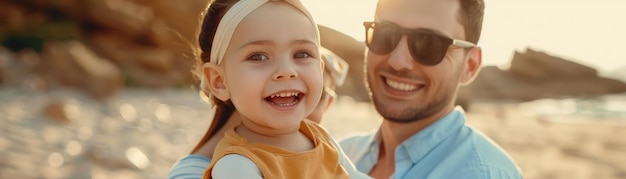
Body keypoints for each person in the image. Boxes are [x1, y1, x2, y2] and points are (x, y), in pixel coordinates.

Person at [167, 0, 368, 178]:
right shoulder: (235, 164)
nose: (287, 71)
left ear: (320, 69)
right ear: (220, 81)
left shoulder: (319, 137)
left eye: (302, 54)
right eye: (258, 56)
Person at [339, 0, 523, 178]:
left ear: (470, 65)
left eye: (429, 44)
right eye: (384, 34)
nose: (398, 61)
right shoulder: (340, 155)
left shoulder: (481, 174)